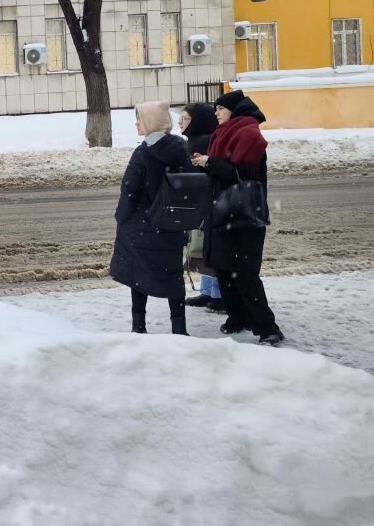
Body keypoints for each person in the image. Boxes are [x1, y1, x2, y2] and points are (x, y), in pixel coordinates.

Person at [192, 90, 285, 346]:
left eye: (220, 108)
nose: (216, 113)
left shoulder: (249, 134)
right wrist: (205, 163)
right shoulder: (224, 134)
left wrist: (212, 163)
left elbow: (244, 176)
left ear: (234, 110)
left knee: (244, 273)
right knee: (223, 268)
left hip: (245, 216)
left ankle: (268, 328)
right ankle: (237, 318)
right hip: (223, 212)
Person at [109, 101, 192, 336]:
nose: (137, 123)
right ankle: (179, 327)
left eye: (140, 119)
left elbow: (130, 190)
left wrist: (121, 217)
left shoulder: (143, 153)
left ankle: (139, 326)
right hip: (173, 225)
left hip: (143, 226)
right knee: (173, 275)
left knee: (139, 274)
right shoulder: (180, 148)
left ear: (150, 123)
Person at [179, 103, 224, 312]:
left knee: (208, 249)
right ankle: (208, 292)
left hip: (209, 203)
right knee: (202, 249)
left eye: (185, 118)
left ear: (196, 121)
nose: (180, 122)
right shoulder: (197, 139)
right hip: (202, 202)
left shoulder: (205, 141)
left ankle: (218, 295)